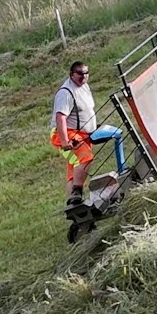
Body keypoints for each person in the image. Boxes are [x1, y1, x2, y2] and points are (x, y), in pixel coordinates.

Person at [50, 61, 125, 207]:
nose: (83, 76)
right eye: (80, 73)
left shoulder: (84, 87)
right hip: (66, 134)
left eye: (86, 73)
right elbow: (61, 118)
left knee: (74, 167)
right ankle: (77, 191)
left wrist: (93, 126)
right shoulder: (66, 93)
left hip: (83, 134)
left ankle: (74, 205)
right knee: (85, 157)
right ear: (72, 74)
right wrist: (65, 141)